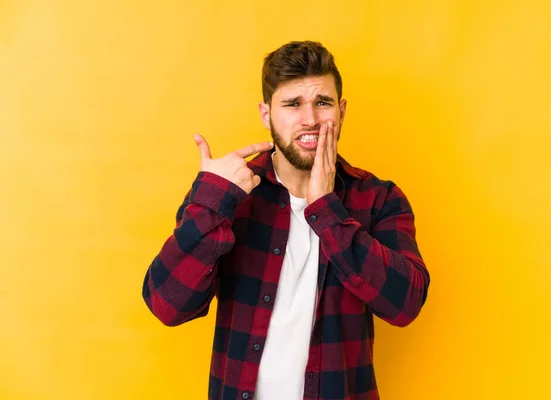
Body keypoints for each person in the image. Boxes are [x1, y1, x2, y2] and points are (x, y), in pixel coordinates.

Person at [142, 40, 430, 400]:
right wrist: (212, 202)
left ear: (341, 110)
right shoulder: (230, 195)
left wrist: (326, 209)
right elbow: (167, 305)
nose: (310, 119)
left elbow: (405, 305)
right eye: (292, 104)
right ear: (266, 115)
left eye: (322, 103)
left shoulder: (378, 198)